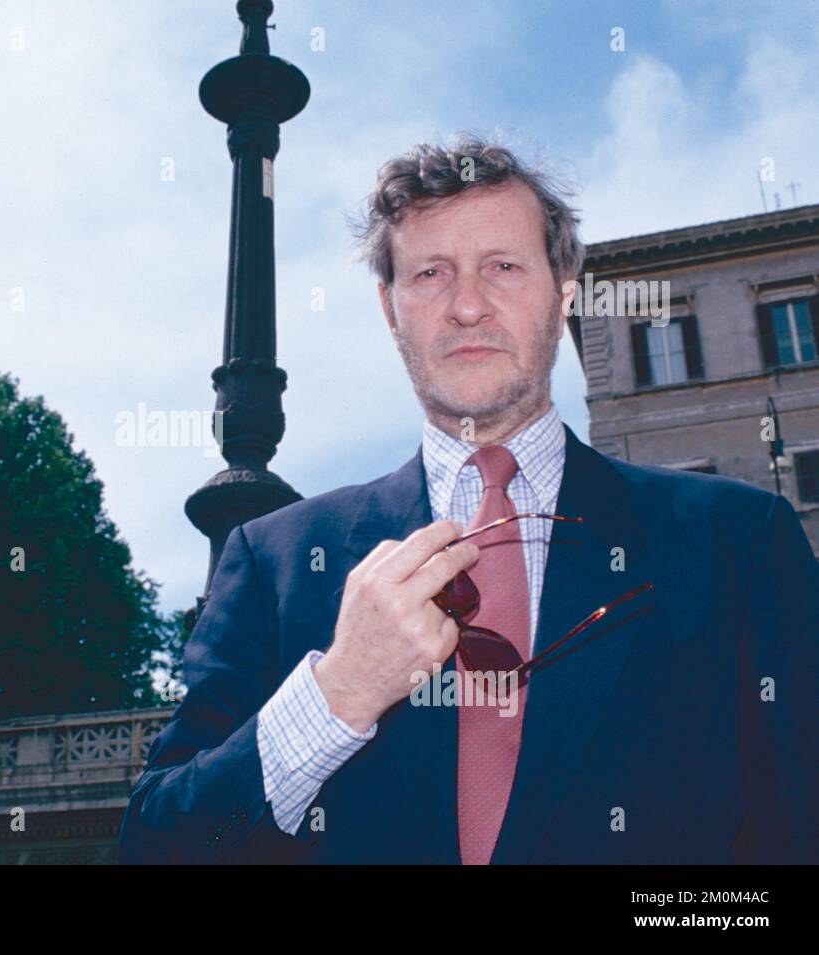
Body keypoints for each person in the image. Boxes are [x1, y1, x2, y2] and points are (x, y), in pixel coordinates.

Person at [117, 135, 818, 864]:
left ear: (564, 291)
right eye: (431, 273)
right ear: (391, 309)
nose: (468, 305)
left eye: (504, 267)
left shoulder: (740, 543)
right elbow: (155, 847)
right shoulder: (272, 561)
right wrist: (337, 696)